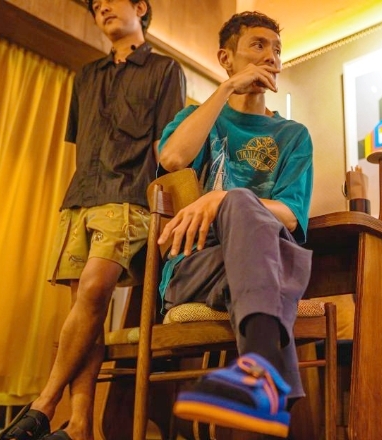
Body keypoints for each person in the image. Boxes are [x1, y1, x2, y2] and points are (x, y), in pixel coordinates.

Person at [0, 1, 186, 439]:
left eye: (110, 0)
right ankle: (80, 424)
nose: (101, 8)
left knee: (94, 289)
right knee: (86, 315)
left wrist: (170, 208)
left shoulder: (165, 70)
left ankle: (44, 403)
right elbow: (82, 147)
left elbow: (166, 149)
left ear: (141, 7)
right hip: (79, 199)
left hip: (129, 198)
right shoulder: (85, 76)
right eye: (95, 6)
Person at [156, 11, 313, 438]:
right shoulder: (199, 118)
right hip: (193, 265)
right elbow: (172, 159)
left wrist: (223, 197)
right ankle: (263, 373)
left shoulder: (293, 135)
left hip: (251, 268)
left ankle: (257, 378)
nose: (271, 57)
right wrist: (226, 89)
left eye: (277, 49)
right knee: (284, 270)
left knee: (260, 244)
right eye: (258, 45)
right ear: (226, 58)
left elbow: (291, 214)